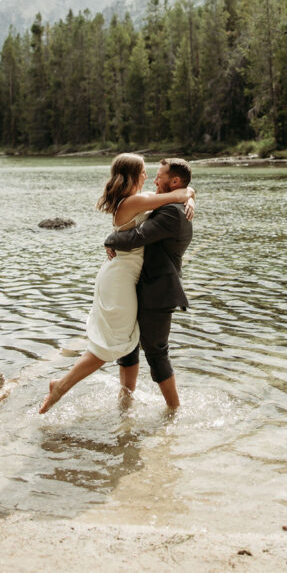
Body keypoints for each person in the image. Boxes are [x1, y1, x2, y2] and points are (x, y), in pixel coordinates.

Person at [39, 153, 193, 413]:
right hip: (120, 277)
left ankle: (125, 403)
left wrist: (190, 195)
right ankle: (62, 385)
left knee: (126, 341)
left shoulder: (139, 200)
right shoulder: (138, 200)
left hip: (123, 276)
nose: (149, 176)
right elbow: (176, 196)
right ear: (133, 175)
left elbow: (178, 194)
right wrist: (188, 196)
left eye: (155, 174)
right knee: (111, 343)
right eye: (144, 171)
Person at [106, 157, 193, 410]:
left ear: (174, 181)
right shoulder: (169, 203)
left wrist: (109, 239)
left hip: (158, 291)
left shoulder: (171, 212)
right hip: (139, 286)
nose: (154, 179)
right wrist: (189, 195)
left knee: (156, 351)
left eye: (160, 175)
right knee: (128, 346)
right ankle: (125, 404)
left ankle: (174, 410)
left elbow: (136, 237)